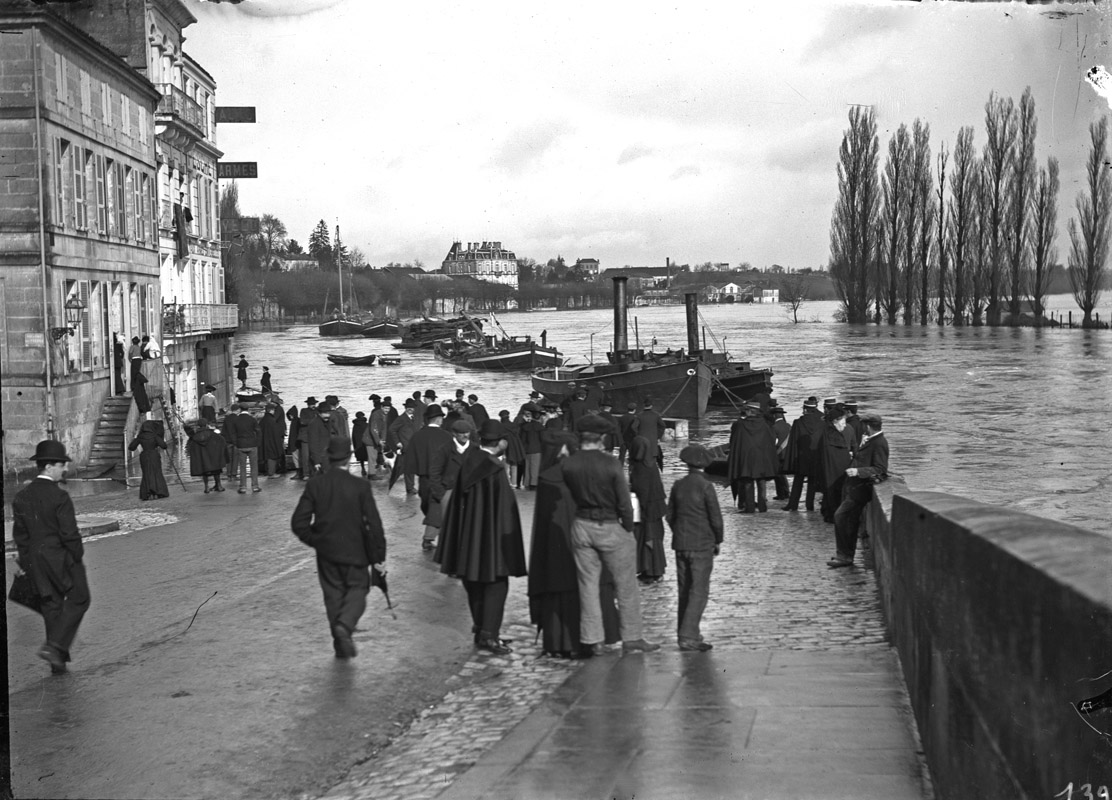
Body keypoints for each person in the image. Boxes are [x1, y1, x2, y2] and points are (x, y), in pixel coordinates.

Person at [560, 415, 660, 655]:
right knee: (626, 585)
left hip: (582, 525)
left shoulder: (569, 464)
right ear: (602, 438)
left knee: (588, 586)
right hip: (610, 524)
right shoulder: (610, 463)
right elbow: (624, 502)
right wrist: (627, 527)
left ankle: (592, 639)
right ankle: (632, 637)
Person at [434, 420, 527, 656]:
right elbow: (504, 510)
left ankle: (481, 629)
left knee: (473, 580)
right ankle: (490, 635)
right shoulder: (494, 470)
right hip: (490, 538)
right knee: (496, 583)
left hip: (469, 535)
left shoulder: (470, 461)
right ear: (500, 443)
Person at [291, 436, 387, 659]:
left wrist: (317, 540)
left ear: (329, 457)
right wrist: (379, 558)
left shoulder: (316, 484)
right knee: (358, 589)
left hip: (327, 553)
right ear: (350, 456)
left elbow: (299, 523)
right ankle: (345, 625)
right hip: (357, 551)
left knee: (333, 595)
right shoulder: (360, 486)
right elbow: (374, 524)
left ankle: (340, 642)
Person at [12, 440, 91, 674]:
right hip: (61, 558)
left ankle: (57, 663)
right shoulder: (60, 497)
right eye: (61, 465)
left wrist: (26, 564)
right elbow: (70, 534)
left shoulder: (21, 497)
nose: (65, 469)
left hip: (35, 561)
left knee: (52, 606)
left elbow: (21, 537)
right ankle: (54, 646)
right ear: (48, 467)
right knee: (80, 599)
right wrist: (77, 556)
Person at [527, 431, 586, 658]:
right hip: (576, 542)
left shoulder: (546, 477)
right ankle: (577, 642)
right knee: (576, 590)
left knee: (553, 590)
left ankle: (554, 643)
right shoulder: (579, 473)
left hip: (551, 546)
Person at [666, 444, 723, 651]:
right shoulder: (706, 486)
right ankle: (688, 635)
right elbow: (715, 518)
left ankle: (688, 632)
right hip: (701, 545)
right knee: (699, 590)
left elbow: (669, 515)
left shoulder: (678, 485)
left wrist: (679, 532)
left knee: (684, 589)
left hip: (681, 544)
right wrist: (717, 540)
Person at [829, 414, 889, 568]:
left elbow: (880, 469)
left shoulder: (879, 443)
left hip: (860, 490)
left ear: (868, 426)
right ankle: (845, 555)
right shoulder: (873, 441)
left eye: (863, 426)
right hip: (856, 488)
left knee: (841, 517)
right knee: (849, 521)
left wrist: (858, 471)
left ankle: (844, 555)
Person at [406, 404, 455, 550]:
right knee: (437, 507)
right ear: (439, 419)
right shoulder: (446, 436)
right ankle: (432, 536)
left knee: (428, 505)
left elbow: (410, 461)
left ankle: (431, 535)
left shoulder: (417, 436)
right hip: (442, 479)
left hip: (424, 479)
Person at [727, 400, 779, 513]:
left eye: (746, 410)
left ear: (750, 411)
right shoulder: (765, 424)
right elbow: (771, 441)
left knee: (748, 482)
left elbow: (735, 441)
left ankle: (749, 507)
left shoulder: (740, 424)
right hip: (762, 457)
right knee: (761, 482)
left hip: (746, 458)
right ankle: (762, 507)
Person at [629, 435, 667, 584]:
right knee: (654, 539)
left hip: (645, 509)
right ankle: (656, 570)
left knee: (647, 539)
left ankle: (650, 572)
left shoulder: (639, 468)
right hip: (656, 508)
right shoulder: (651, 465)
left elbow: (641, 491)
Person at [783, 396, 824, 512]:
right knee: (812, 481)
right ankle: (809, 505)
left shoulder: (798, 422)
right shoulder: (822, 423)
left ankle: (793, 504)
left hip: (800, 457)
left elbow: (793, 442)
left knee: (798, 481)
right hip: (815, 456)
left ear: (805, 409)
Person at [819, 403, 857, 523]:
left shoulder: (826, 432)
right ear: (836, 421)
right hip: (838, 469)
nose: (845, 424)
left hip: (830, 469)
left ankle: (829, 513)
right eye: (843, 422)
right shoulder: (839, 433)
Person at [128, 420, 169, 500]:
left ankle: (147, 492)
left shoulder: (140, 437)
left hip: (144, 456)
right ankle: (159, 491)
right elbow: (164, 446)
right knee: (157, 473)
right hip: (154, 455)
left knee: (146, 473)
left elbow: (131, 447)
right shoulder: (154, 436)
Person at [386, 398, 420, 494]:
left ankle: (410, 486)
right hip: (405, 446)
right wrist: (397, 442)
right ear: (405, 407)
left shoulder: (413, 418)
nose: (410, 409)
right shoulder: (401, 418)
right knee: (409, 467)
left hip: (413, 446)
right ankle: (410, 488)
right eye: (409, 407)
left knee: (408, 467)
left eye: (412, 407)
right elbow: (391, 429)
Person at [187, 418, 227, 493]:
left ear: (198, 426)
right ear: (206, 425)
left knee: (204, 472)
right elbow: (222, 441)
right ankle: (219, 485)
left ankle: (206, 487)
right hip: (213, 456)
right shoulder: (213, 435)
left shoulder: (195, 437)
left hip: (203, 458)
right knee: (216, 470)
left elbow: (193, 449)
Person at [229, 404, 262, 493]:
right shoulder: (252, 419)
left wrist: (236, 443)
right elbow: (258, 431)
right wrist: (257, 443)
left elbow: (233, 433)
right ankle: (255, 486)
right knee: (254, 466)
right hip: (252, 444)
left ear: (240, 409)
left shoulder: (236, 420)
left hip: (241, 445)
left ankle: (243, 487)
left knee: (242, 467)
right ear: (248, 409)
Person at [636, 397, 666, 471]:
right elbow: (663, 426)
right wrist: (658, 436)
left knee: (642, 459)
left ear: (644, 405)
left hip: (642, 441)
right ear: (651, 405)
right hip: (653, 442)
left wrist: (637, 435)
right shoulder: (656, 415)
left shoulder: (639, 415)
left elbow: (633, 427)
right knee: (652, 460)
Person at [518, 406, 544, 489]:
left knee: (527, 466)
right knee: (535, 466)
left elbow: (522, 439)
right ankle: (533, 483)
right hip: (537, 449)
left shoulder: (525, 426)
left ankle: (527, 482)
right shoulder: (540, 426)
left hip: (527, 449)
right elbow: (542, 438)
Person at [771, 406, 792, 500]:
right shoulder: (788, 425)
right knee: (782, 474)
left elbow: (772, 442)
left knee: (778, 475)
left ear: (774, 415)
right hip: (788, 453)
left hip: (779, 454)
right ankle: (786, 492)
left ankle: (781, 494)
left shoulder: (774, 427)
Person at [259, 403, 286, 477]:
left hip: (264, 441)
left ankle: (268, 471)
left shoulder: (263, 420)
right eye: (274, 410)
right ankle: (271, 473)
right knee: (272, 457)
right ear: (271, 410)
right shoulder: (272, 420)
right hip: (272, 442)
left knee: (267, 457)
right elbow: (275, 433)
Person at [351, 411, 369, 476]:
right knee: (369, 456)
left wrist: (355, 444)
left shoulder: (355, 426)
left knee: (361, 458)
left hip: (358, 444)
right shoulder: (366, 425)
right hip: (366, 443)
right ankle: (371, 470)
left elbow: (353, 436)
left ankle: (363, 468)